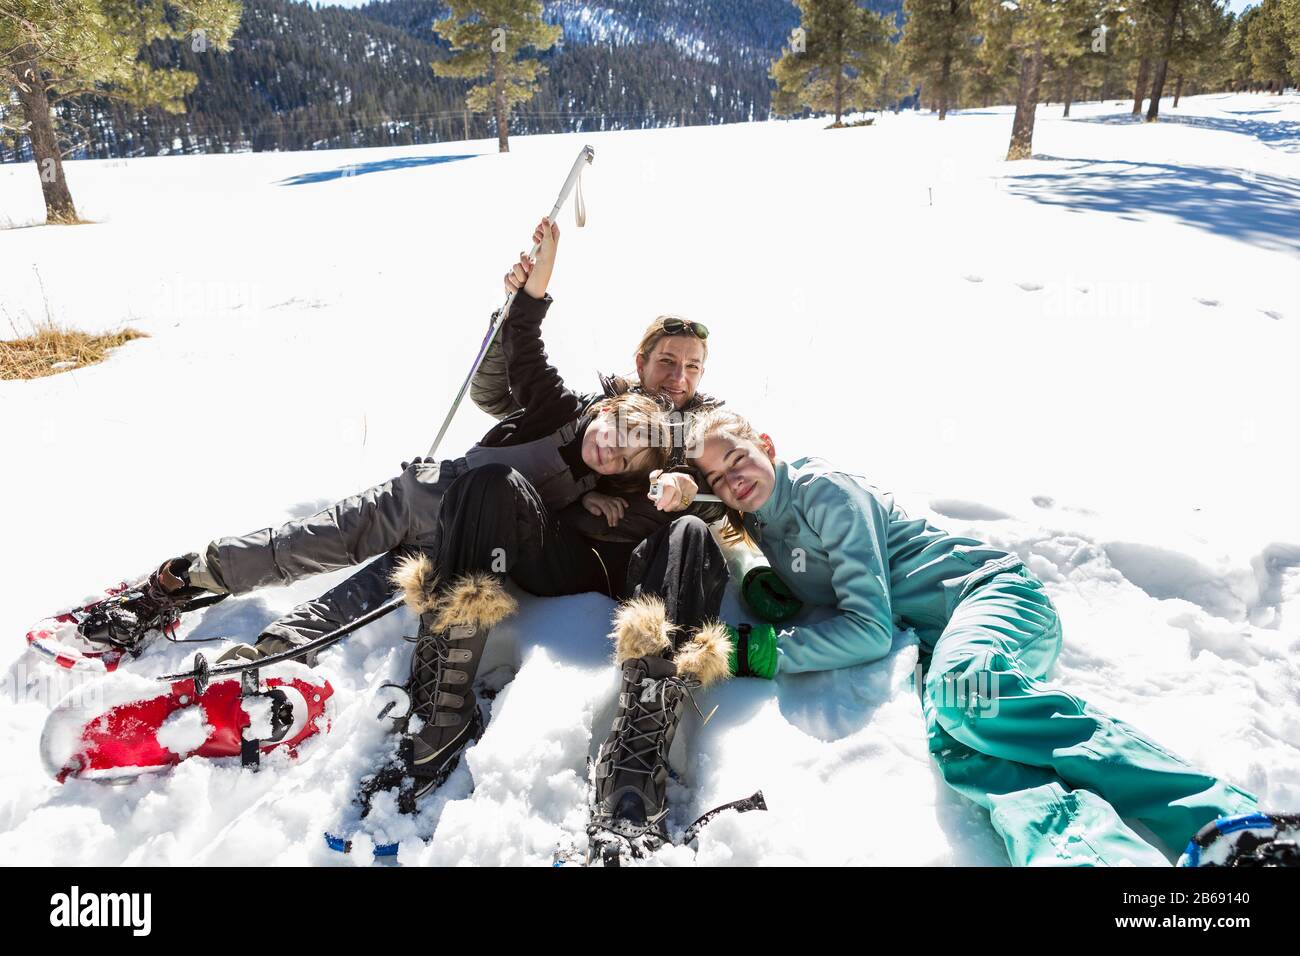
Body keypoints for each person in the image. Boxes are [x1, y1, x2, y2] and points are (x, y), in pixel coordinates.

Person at [90, 217, 733, 808]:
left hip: (483, 532)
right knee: (322, 537)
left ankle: (277, 649)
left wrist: (681, 486)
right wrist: (530, 283)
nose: (678, 376)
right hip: (446, 496)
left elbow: (712, 498)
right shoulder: (573, 406)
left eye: (691, 367)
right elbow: (518, 355)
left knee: (375, 587)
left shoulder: (690, 439)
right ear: (638, 365)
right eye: (667, 361)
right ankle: (196, 574)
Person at [686, 407, 1277, 866]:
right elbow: (730, 524)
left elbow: (867, 629)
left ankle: (1232, 827)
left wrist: (759, 651)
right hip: (939, 638)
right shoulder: (759, 518)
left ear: (766, 445)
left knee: (966, 692)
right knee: (970, 756)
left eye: (736, 458)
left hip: (990, 595)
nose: (730, 478)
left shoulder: (825, 492)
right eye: (716, 475)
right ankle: (1082, 858)